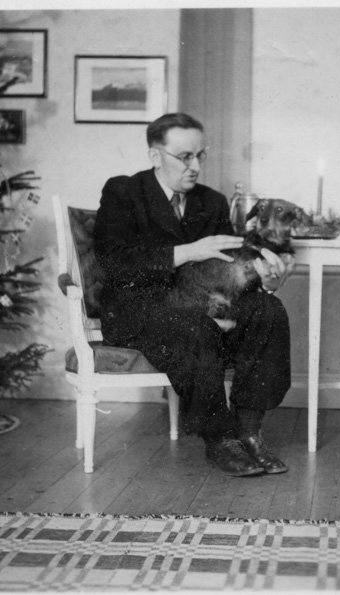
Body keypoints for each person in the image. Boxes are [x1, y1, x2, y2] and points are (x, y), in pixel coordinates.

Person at [93, 112, 295, 478]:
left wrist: (267, 280)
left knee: (268, 309)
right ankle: (221, 439)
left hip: (201, 304)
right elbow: (114, 262)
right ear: (155, 155)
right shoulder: (123, 192)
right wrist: (187, 251)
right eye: (185, 157)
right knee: (195, 327)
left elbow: (230, 273)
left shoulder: (212, 201)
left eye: (201, 155)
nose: (196, 166)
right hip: (139, 309)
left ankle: (249, 431)